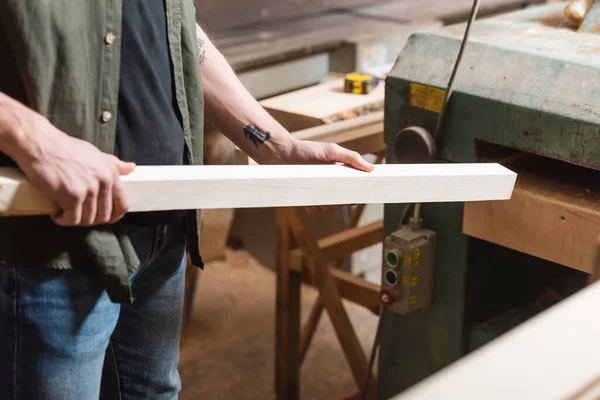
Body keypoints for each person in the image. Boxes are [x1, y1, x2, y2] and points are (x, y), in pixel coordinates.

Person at [0, 1, 374, 399]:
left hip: (162, 228)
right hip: (56, 242)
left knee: (154, 392)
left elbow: (176, 27)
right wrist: (32, 139)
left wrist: (275, 146)